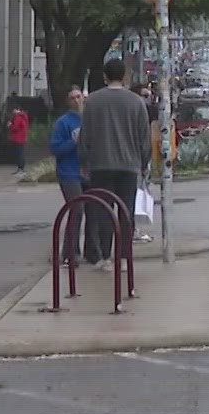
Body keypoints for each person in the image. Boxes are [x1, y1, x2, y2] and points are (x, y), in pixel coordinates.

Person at [78, 59, 149, 265]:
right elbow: (143, 137)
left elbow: (85, 135)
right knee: (126, 211)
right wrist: (144, 164)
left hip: (101, 165)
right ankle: (125, 257)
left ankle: (105, 257)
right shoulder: (136, 102)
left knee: (103, 211)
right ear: (125, 76)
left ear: (104, 77)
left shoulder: (92, 101)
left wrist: (84, 162)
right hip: (129, 165)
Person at [49, 89, 102, 265]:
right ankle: (70, 253)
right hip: (69, 173)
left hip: (89, 171)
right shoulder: (63, 123)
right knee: (76, 209)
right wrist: (73, 142)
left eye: (79, 97)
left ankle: (92, 251)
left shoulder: (91, 120)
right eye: (72, 98)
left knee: (93, 210)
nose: (76, 101)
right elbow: (56, 148)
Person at [7, 104, 30, 174]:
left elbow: (15, 127)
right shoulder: (23, 116)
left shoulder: (18, 117)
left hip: (17, 138)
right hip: (22, 137)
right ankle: (21, 168)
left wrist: (10, 125)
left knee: (19, 154)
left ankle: (20, 169)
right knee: (20, 153)